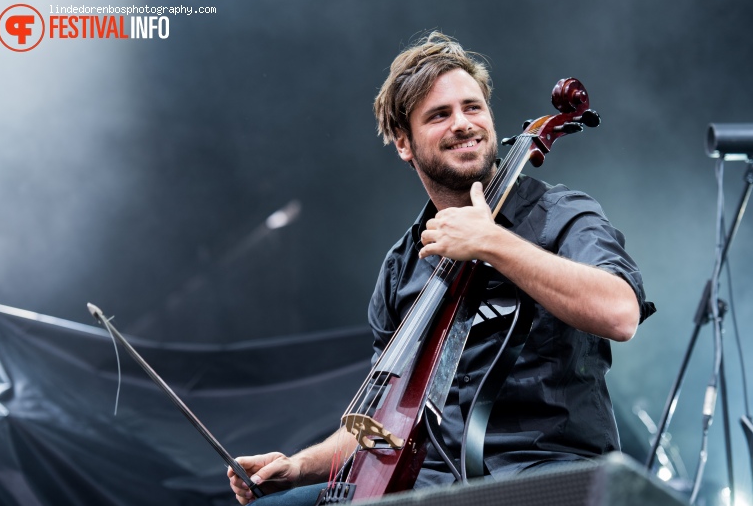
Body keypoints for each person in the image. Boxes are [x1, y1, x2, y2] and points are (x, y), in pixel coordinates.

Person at [228, 31, 655, 505]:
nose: (462, 123)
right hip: (429, 486)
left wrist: (493, 243)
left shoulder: (562, 215)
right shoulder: (402, 267)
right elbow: (383, 419)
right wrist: (297, 467)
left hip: (543, 475)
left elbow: (620, 313)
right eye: (439, 115)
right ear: (404, 144)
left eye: (473, 107)